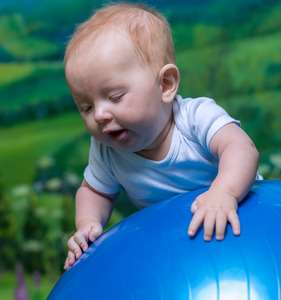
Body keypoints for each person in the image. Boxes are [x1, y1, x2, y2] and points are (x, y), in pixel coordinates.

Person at [63, 2, 261, 270]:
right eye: (86, 107)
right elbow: (94, 190)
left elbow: (241, 148)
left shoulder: (195, 117)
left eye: (115, 97)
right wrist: (88, 223)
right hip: (178, 246)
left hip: (244, 218)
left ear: (165, 85)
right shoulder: (105, 149)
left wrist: (224, 192)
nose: (99, 115)